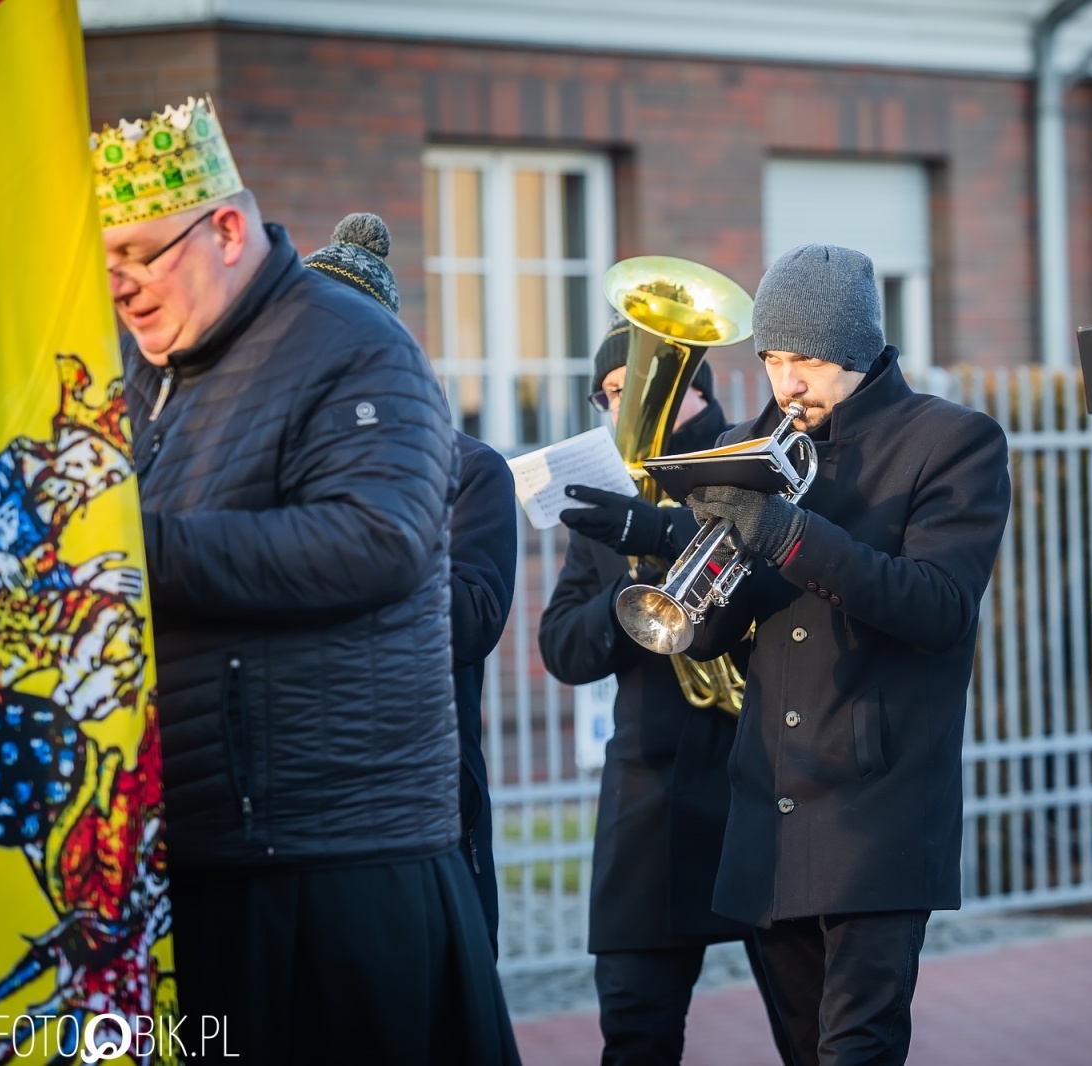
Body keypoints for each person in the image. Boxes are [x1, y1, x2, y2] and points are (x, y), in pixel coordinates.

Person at [98, 97, 521, 1063]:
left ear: (227, 228)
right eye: (105, 259)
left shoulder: (354, 346)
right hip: (203, 857)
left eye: (140, 253)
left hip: (329, 871)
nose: (120, 283)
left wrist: (124, 554)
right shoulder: (147, 367)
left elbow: (378, 540)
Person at [681, 244, 1011, 1065]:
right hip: (768, 810)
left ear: (860, 352)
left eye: (811, 362)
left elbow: (938, 608)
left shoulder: (952, 440)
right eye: (772, 360)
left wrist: (790, 535)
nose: (788, 384)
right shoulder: (749, 439)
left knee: (857, 1050)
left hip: (876, 810)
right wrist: (689, 574)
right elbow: (717, 634)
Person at [538, 322, 783, 1065]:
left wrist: (675, 535)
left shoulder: (748, 467)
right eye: (608, 395)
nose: (621, 410)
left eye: (633, 391)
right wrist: (633, 581)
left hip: (760, 789)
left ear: (695, 391)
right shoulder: (609, 505)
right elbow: (563, 648)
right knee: (636, 1032)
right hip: (653, 799)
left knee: (815, 1033)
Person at [305, 213, 519, 950]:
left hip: (422, 792)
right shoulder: (284, 461)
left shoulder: (470, 467)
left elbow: (474, 619)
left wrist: (363, 533)